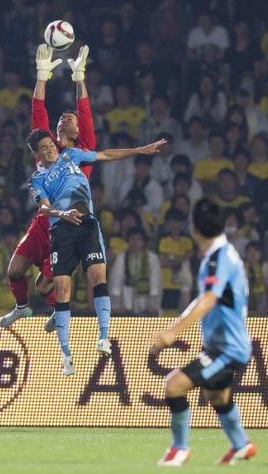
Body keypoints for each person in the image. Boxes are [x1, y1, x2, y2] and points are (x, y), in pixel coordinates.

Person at [27, 128, 165, 375]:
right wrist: (62, 213)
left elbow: (106, 155)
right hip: (62, 230)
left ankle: (103, 338)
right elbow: (44, 208)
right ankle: (66, 354)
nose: (50, 149)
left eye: (51, 144)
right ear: (37, 154)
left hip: (87, 224)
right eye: (44, 148)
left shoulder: (71, 155)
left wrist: (138, 150)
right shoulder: (37, 179)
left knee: (99, 276)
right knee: (63, 288)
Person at [150, 198, 257, 466]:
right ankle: (242, 445)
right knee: (216, 395)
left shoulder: (218, 258)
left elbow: (209, 299)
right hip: (222, 345)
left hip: (228, 349)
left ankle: (179, 449)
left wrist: (173, 333)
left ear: (194, 228)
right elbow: (205, 298)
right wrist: (176, 325)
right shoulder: (221, 254)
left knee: (174, 385)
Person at [0, 43, 96, 330]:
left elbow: (86, 113)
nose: (65, 119)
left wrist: (79, 79)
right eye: (62, 118)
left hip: (65, 229)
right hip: (42, 222)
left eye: (71, 118)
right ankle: (21, 308)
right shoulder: (45, 149)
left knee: (43, 286)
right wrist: (42, 76)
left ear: (78, 129)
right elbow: (38, 112)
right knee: (14, 271)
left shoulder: (83, 152)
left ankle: (59, 310)